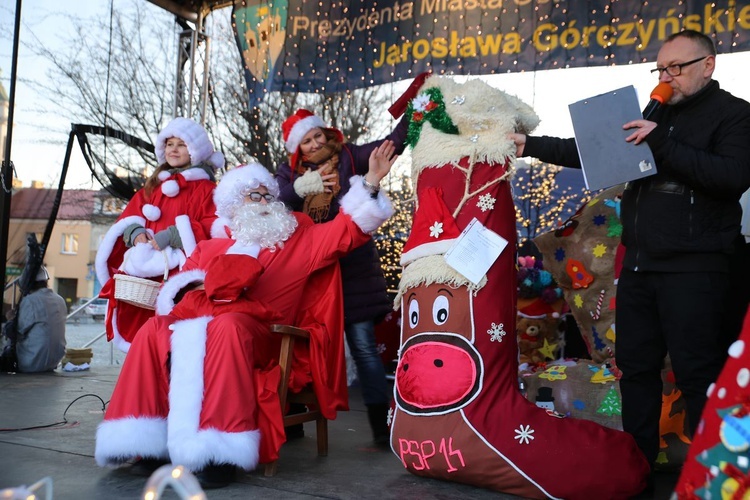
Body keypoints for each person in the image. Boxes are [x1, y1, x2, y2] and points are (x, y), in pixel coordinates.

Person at [508, 29, 750, 470]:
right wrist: (530, 145)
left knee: (699, 374)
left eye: (677, 68)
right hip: (640, 267)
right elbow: (592, 151)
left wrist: (661, 141)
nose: (667, 77)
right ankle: (634, 470)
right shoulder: (653, 113)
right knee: (636, 371)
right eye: (661, 68)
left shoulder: (734, 115)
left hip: (697, 269)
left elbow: (731, 176)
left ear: (708, 65)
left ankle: (707, 476)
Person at [94, 145, 398, 489]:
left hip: (262, 335)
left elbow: (349, 230)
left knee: (227, 326)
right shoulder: (209, 249)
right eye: (255, 196)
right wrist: (201, 290)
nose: (267, 201)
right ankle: (146, 443)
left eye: (269, 194)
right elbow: (175, 297)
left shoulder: (301, 239)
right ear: (234, 209)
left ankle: (219, 454)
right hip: (205, 323)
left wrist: (370, 181)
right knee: (154, 329)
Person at [275, 108, 408, 446]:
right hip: (309, 273)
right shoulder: (287, 173)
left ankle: (381, 426)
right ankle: (291, 419)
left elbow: (389, 146)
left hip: (353, 271)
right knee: (301, 348)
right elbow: (276, 202)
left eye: (318, 134)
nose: (316, 142)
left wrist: (415, 114)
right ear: (297, 148)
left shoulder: (348, 156)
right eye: (307, 140)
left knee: (363, 347)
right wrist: (305, 186)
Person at [95, 117, 225, 353]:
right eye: (169, 144)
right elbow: (129, 217)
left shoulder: (206, 190)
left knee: (175, 327)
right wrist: (134, 232)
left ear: (195, 150)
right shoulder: (153, 187)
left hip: (181, 270)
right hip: (147, 270)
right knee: (145, 327)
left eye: (181, 144)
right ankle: (145, 365)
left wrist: (176, 234)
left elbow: (214, 226)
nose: (174, 149)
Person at [15, 266, 67, 373]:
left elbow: (18, 330)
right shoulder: (60, 299)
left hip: (32, 361)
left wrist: (10, 318)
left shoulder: (30, 300)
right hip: (54, 361)